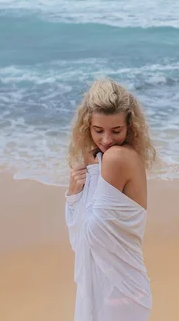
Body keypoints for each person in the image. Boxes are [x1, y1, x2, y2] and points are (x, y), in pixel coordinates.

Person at [65, 78, 157, 321]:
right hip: (102, 287)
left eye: (116, 131)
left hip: (120, 291)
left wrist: (78, 192)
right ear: (87, 126)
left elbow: (93, 231)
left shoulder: (117, 158)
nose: (106, 140)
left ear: (130, 126)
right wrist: (74, 191)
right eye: (98, 130)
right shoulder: (99, 158)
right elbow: (82, 239)